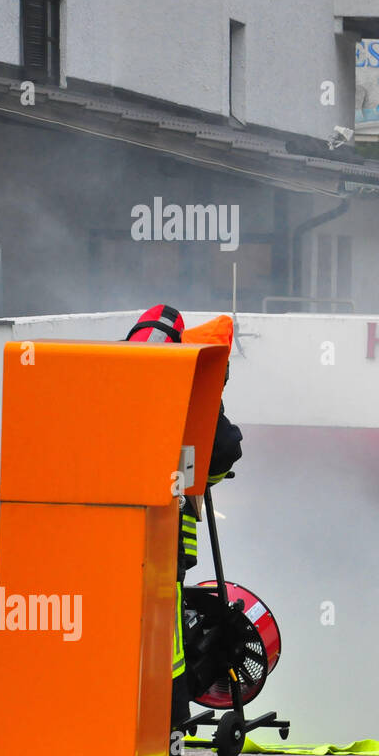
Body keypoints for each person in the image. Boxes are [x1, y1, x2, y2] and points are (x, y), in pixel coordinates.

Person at [127, 307, 243, 733]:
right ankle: (169, 726)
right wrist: (201, 481)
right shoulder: (188, 381)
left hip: (108, 533)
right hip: (166, 539)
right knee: (168, 636)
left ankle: (116, 714)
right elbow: (225, 447)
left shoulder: (109, 369)